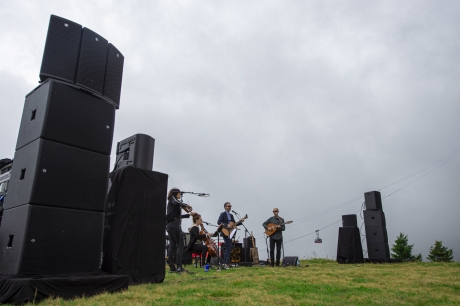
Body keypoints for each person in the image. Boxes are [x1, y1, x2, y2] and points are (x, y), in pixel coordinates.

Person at [166, 187, 193, 273]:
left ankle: (171, 266)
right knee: (180, 245)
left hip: (170, 224)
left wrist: (189, 215)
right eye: (179, 193)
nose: (180, 195)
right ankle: (179, 266)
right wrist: (186, 205)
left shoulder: (173, 203)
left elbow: (177, 216)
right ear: (175, 193)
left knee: (172, 245)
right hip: (174, 224)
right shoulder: (172, 199)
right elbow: (177, 202)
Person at [217, 202, 244, 268]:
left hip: (231, 232)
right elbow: (219, 222)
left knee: (229, 247)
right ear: (225, 207)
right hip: (225, 232)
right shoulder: (222, 214)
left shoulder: (231, 215)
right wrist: (226, 225)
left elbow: (234, 224)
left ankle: (227, 262)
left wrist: (240, 222)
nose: (229, 207)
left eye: (230, 206)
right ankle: (226, 263)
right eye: (228, 206)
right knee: (228, 246)